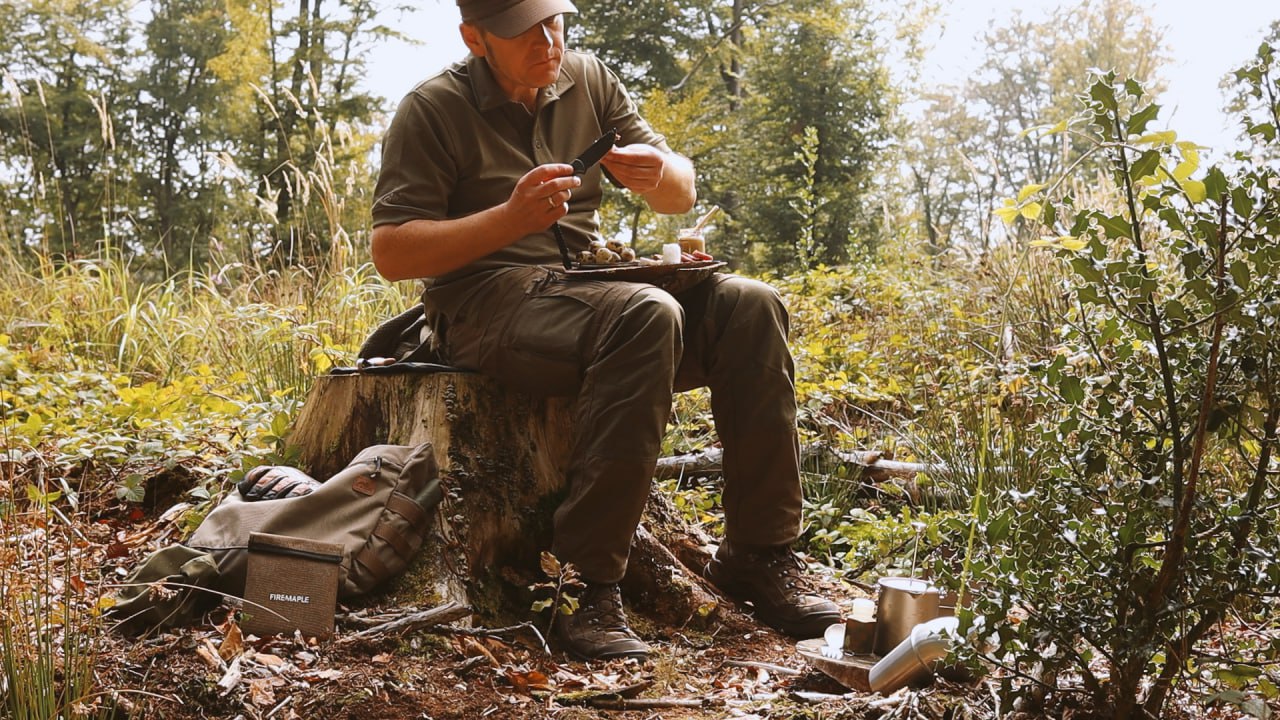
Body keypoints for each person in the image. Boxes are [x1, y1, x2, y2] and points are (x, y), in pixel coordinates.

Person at [369, 0, 840, 661]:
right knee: (647, 314)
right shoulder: (432, 109)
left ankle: (760, 554)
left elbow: (680, 190)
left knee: (752, 305)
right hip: (484, 305)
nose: (548, 40)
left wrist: (658, 173)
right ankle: (583, 585)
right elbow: (392, 251)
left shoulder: (588, 79)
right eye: (524, 30)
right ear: (475, 38)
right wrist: (508, 219)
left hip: (590, 288)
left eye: (556, 21)